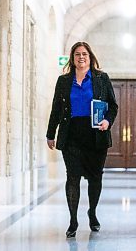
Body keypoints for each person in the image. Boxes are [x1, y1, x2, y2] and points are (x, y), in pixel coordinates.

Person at [46, 41, 118, 238]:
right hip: (71, 135)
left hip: (96, 135)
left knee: (95, 178)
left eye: (84, 54)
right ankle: (73, 220)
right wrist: (50, 134)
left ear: (90, 56)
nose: (81, 57)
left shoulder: (101, 78)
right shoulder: (63, 81)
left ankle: (92, 213)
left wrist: (107, 121)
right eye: (77, 54)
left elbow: (113, 106)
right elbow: (56, 109)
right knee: (72, 177)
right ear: (72, 58)